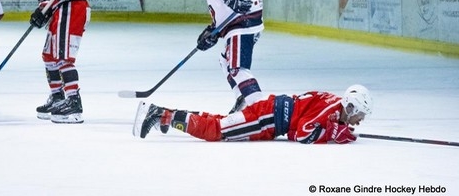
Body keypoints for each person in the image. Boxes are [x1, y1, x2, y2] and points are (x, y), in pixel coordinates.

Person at [133, 84, 373, 144]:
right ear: (350, 106)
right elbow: (303, 133)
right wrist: (337, 133)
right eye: (360, 114)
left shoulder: (333, 104)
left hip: (269, 113)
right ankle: (162, 115)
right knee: (216, 131)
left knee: (219, 121)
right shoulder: (331, 109)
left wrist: (336, 127)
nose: (360, 120)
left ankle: (170, 114)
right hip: (266, 120)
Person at [23, 0, 91, 124]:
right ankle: (58, 97)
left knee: (63, 56)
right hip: (60, 9)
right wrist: (41, 12)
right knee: (49, 55)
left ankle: (73, 103)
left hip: (72, 6)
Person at [194, 0, 264, 113]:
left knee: (238, 69)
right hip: (239, 25)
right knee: (224, 61)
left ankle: (260, 108)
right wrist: (212, 32)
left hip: (242, 25)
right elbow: (224, 12)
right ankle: (242, 96)